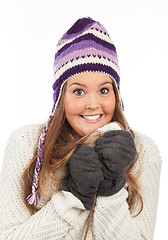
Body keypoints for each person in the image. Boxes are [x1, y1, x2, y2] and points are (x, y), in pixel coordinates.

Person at [0, 17, 161, 240]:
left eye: (104, 90)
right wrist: (73, 197)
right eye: (78, 91)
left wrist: (111, 188)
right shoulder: (26, 143)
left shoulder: (142, 151)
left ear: (116, 94)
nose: (92, 103)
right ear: (60, 99)